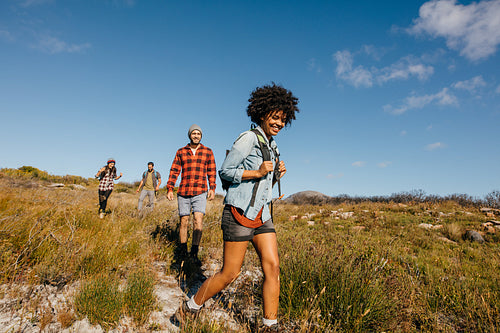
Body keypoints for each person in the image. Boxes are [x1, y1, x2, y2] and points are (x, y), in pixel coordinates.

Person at [176, 83, 299, 332]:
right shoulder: (248, 138)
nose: (279, 123)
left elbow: (263, 184)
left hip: (262, 215)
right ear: (262, 114)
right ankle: (190, 307)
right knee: (229, 273)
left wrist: (276, 175)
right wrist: (258, 171)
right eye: (275, 117)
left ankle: (269, 325)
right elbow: (226, 171)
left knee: (273, 268)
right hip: (239, 213)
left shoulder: (272, 146)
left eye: (283, 119)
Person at [166, 124, 217, 264]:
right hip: (184, 191)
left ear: (201, 136)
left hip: (200, 190)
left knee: (198, 220)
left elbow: (212, 171)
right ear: (190, 135)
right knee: (184, 221)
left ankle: (194, 252)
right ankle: (183, 251)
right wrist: (170, 188)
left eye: (198, 134)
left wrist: (212, 188)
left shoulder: (208, 151)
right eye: (193, 133)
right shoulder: (181, 151)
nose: (196, 136)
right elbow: (174, 170)